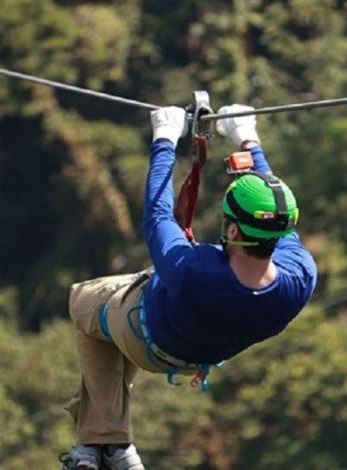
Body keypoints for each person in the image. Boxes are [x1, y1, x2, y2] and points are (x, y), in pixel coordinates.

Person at [60, 105, 317, 470]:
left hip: (145, 336)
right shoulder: (299, 277)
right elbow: (276, 212)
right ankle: (108, 449)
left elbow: (158, 216)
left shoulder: (193, 270)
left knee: (83, 300)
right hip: (197, 357)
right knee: (114, 317)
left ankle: (106, 440)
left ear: (230, 230)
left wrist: (164, 139)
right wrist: (246, 136)